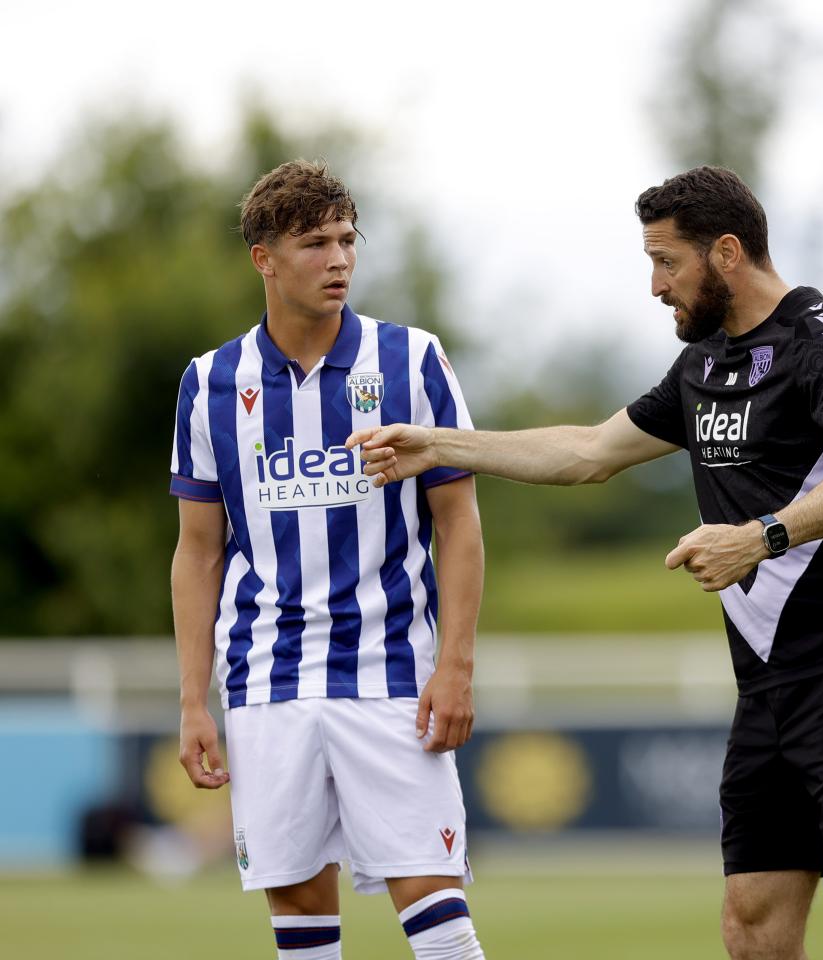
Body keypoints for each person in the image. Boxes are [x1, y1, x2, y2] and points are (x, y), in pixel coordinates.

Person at [347, 166, 823, 960]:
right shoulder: (705, 367)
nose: (655, 285)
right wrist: (440, 445)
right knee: (754, 928)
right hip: (770, 683)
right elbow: (590, 451)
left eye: (667, 261)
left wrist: (758, 536)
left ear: (726, 252)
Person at [169, 160, 486, 960]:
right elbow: (199, 551)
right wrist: (191, 700)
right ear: (263, 259)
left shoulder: (412, 361)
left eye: (349, 240)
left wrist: (455, 665)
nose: (340, 259)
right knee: (302, 927)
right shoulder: (209, 382)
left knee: (438, 912)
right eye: (316, 243)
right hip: (266, 678)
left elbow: (459, 524)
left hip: (389, 673)